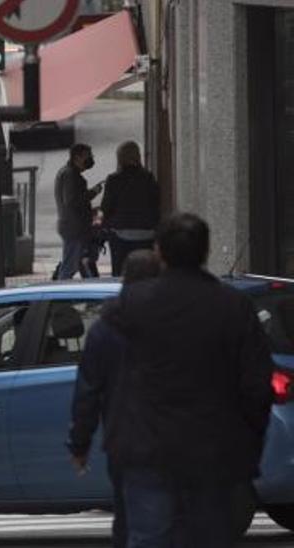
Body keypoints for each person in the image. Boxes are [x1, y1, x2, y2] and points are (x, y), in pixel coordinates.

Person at [103, 213, 274, 548]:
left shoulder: (129, 306)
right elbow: (256, 387)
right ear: (205, 251)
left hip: (147, 451)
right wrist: (248, 445)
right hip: (215, 454)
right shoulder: (234, 307)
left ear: (159, 253)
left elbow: (110, 375)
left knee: (150, 537)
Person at [66, 249, 162, 548]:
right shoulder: (174, 322)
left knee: (128, 516)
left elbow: (88, 393)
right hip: (174, 434)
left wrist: (80, 444)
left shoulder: (106, 329)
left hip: (126, 438)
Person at [101, 141, 161, 277]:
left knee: (119, 271)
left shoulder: (114, 179)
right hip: (147, 232)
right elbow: (156, 202)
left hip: (121, 232)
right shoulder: (148, 178)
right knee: (147, 271)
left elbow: (106, 207)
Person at [53, 144, 102, 280]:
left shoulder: (69, 173)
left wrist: (90, 210)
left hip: (74, 226)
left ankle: (91, 290)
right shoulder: (70, 175)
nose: (91, 159)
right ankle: (58, 294)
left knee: (82, 262)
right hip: (74, 228)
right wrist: (93, 192)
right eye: (88, 156)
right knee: (69, 267)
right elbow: (72, 201)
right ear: (77, 157)